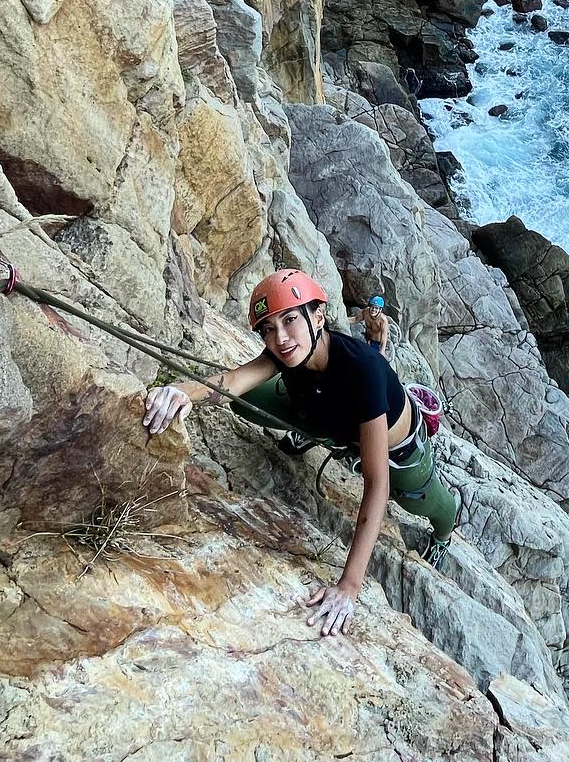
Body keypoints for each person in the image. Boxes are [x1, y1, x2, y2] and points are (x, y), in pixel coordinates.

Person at [142, 269, 459, 637]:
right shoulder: (289, 349)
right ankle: (312, 430)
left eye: (290, 319)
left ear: (318, 317)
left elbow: (377, 483)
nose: (280, 338)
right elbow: (231, 382)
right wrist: (181, 391)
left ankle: (444, 534)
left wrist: (349, 587)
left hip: (395, 448)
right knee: (245, 401)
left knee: (428, 503)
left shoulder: (363, 371)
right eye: (268, 328)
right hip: (328, 414)